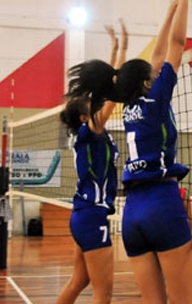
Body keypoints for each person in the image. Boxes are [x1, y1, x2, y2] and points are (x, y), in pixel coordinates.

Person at [106, 0, 192, 304]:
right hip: (162, 204)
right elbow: (175, 45)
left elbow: (158, 55)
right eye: (152, 72)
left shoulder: (129, 107)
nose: (156, 68)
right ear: (148, 81)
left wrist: (171, 7)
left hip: (131, 214)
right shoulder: (156, 99)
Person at [55, 19, 129, 304]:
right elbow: (110, 90)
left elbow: (103, 89)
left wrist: (116, 48)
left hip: (85, 214)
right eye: (91, 105)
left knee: (79, 281)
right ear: (85, 117)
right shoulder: (90, 131)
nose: (96, 104)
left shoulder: (93, 133)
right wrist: (120, 56)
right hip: (91, 215)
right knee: (103, 294)